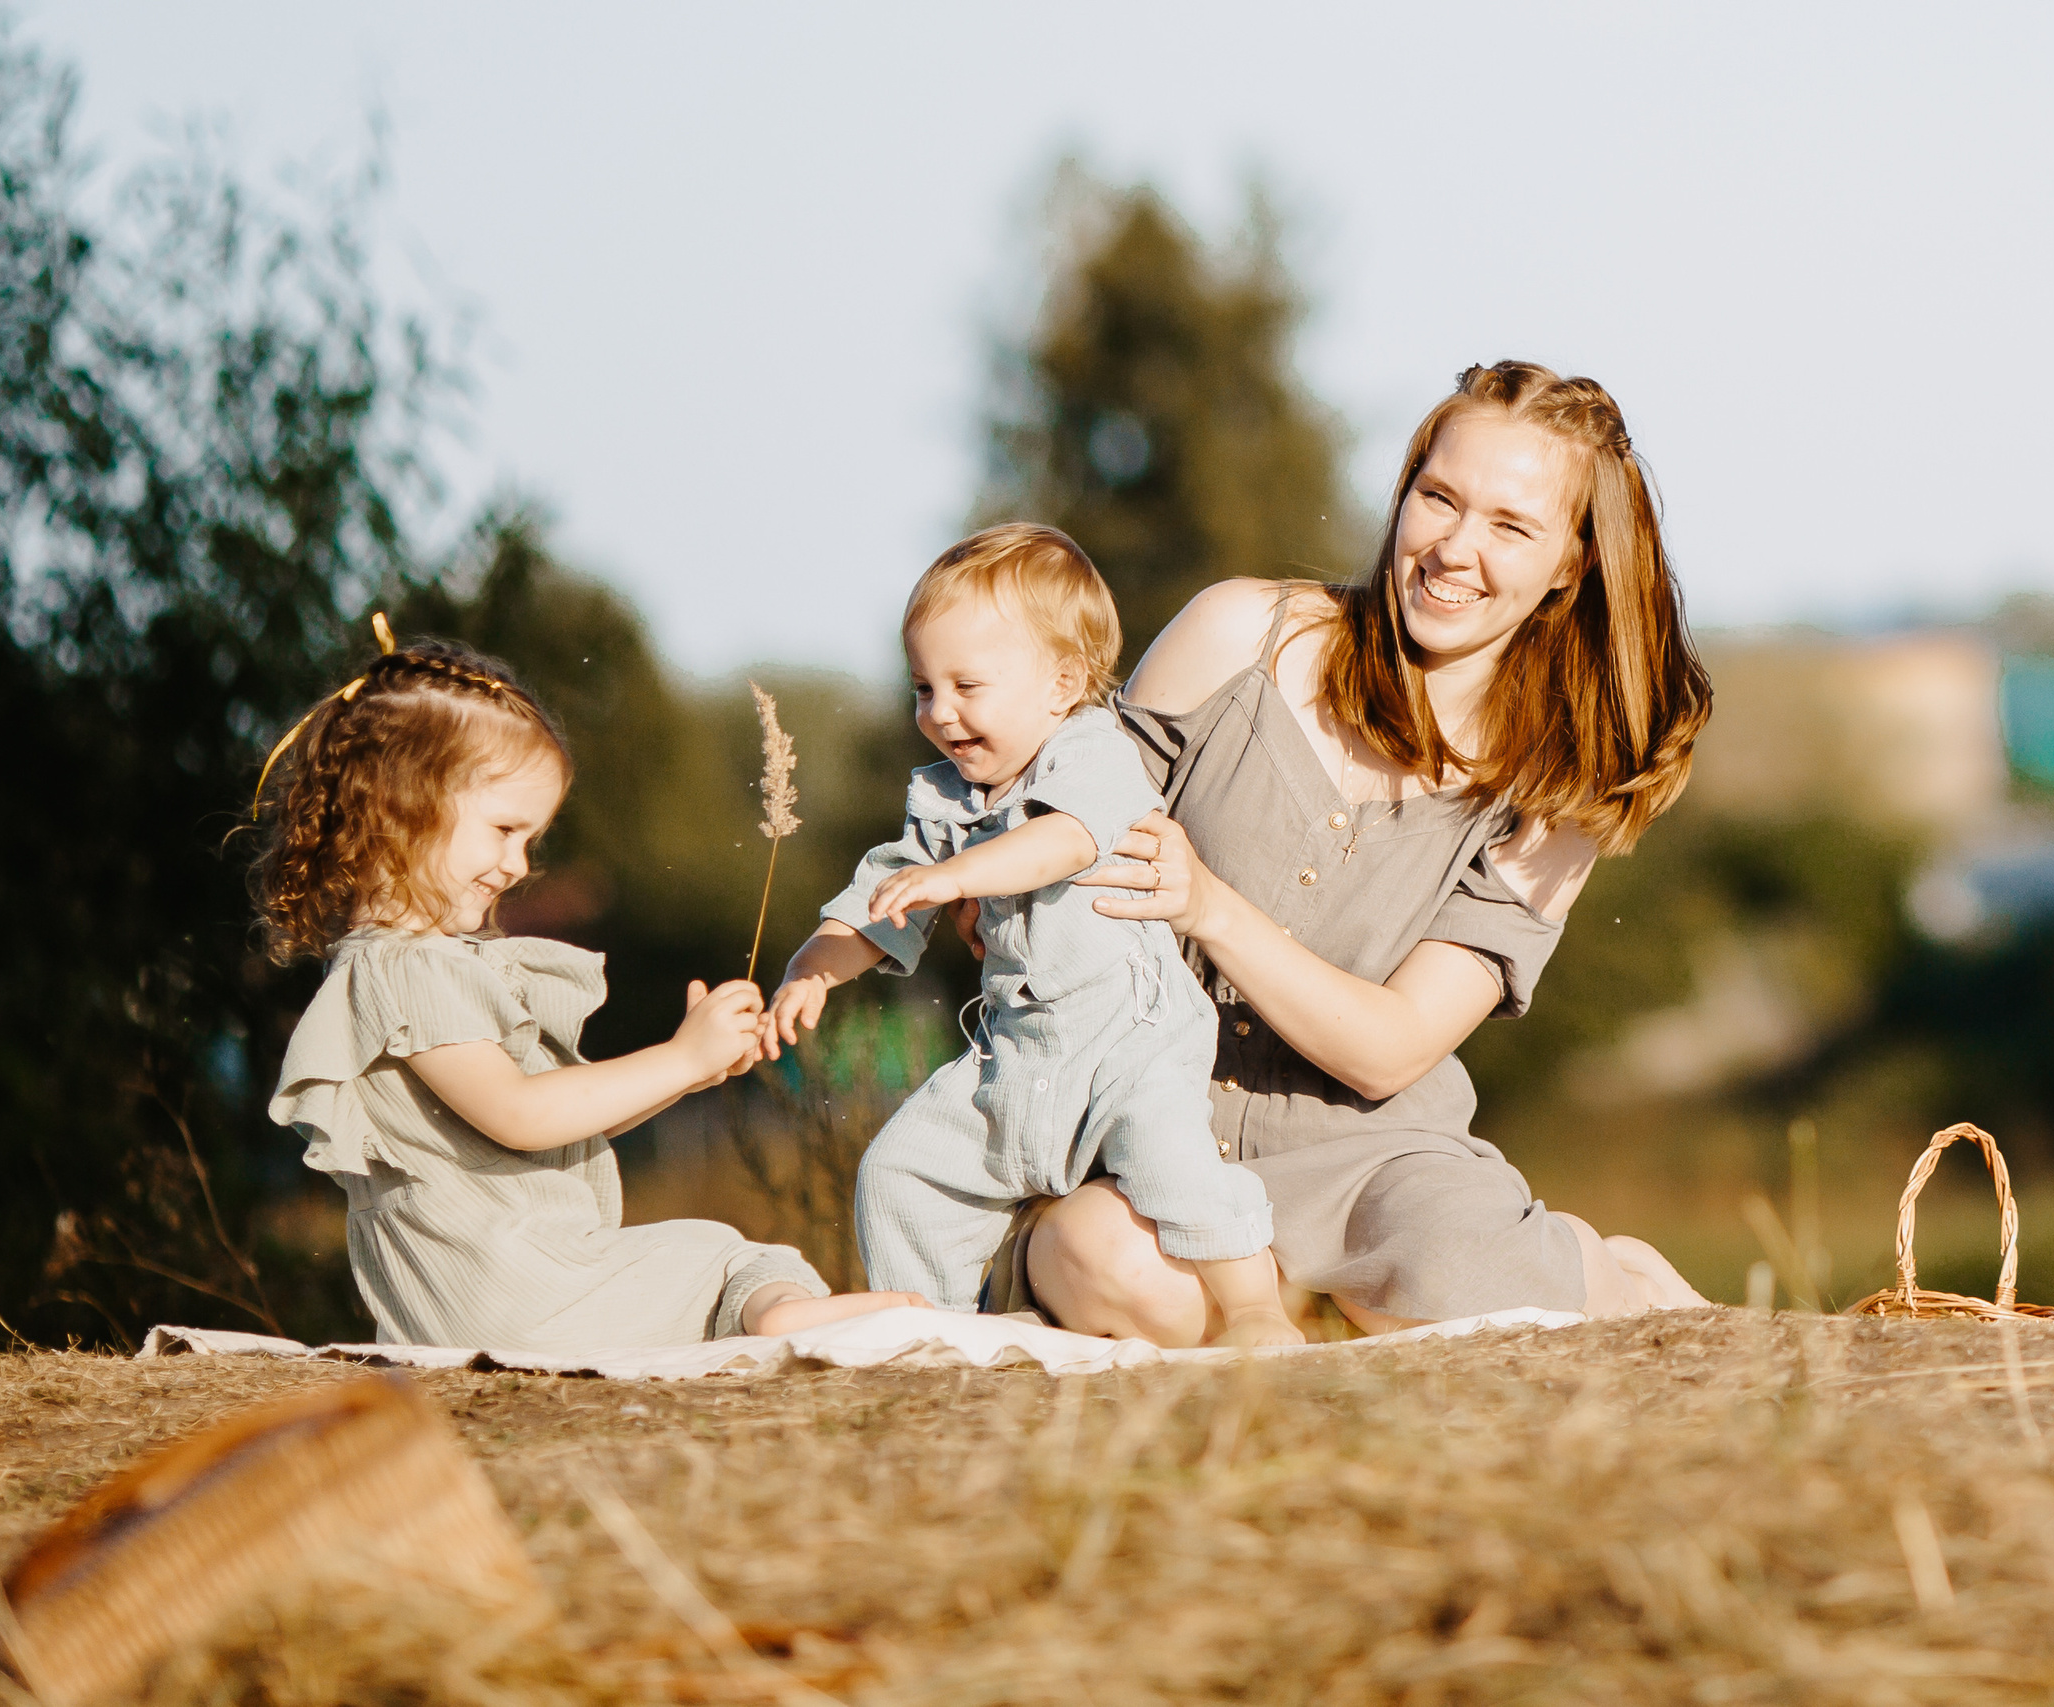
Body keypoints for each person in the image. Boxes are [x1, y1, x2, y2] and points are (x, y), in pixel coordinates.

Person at [1010, 361, 1716, 1341]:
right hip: (1145, 1130)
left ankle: (1612, 1276)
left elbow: (1388, 1052)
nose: (1454, 549)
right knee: (1105, 1264)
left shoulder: (1559, 790)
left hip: (1376, 1162)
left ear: (1571, 564)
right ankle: (1298, 1317)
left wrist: (1209, 907)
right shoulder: (1239, 636)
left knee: (1476, 1285)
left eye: (1509, 527)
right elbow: (1061, 838)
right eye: (1439, 499)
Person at [252, 620, 926, 1354]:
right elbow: (520, 1114)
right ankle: (784, 1315)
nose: (517, 864)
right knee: (732, 1258)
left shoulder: (399, 966)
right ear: (401, 805)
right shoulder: (406, 968)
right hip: (519, 1296)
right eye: (506, 828)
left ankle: (778, 1312)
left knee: (711, 1255)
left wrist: (688, 1072)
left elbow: (557, 1116)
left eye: (529, 840)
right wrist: (680, 1059)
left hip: (458, 1310)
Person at [762, 525, 1302, 1347]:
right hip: (1017, 1056)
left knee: (1170, 1159)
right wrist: (815, 966)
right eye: (922, 688)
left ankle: (1258, 1310)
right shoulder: (943, 799)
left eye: (967, 685)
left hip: (1133, 1040)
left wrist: (957, 877)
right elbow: (882, 895)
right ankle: (932, 1333)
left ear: (1063, 682)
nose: (940, 713)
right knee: (902, 1171)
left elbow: (1068, 841)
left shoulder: (1092, 752)